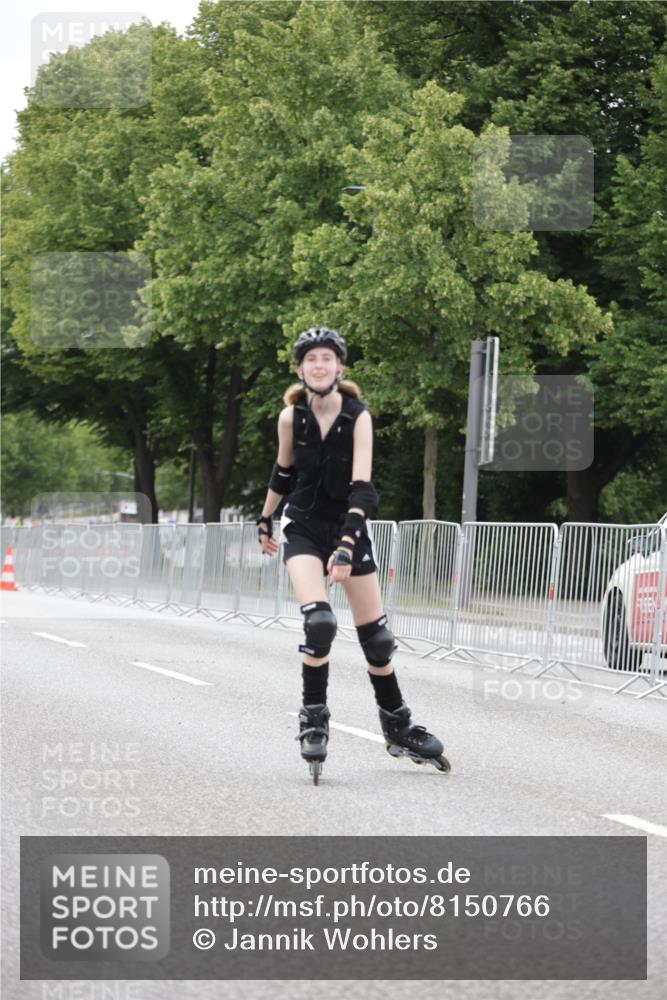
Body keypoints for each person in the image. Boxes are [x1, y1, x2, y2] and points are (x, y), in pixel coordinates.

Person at [256, 326, 450, 782]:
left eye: (327, 358)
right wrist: (264, 518)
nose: (319, 365)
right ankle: (314, 720)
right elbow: (283, 474)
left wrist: (346, 545)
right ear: (300, 368)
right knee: (319, 622)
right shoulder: (291, 418)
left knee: (378, 640)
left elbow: (362, 487)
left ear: (339, 367)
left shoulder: (358, 415)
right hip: (303, 524)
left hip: (350, 526)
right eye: (311, 359)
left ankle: (397, 726)